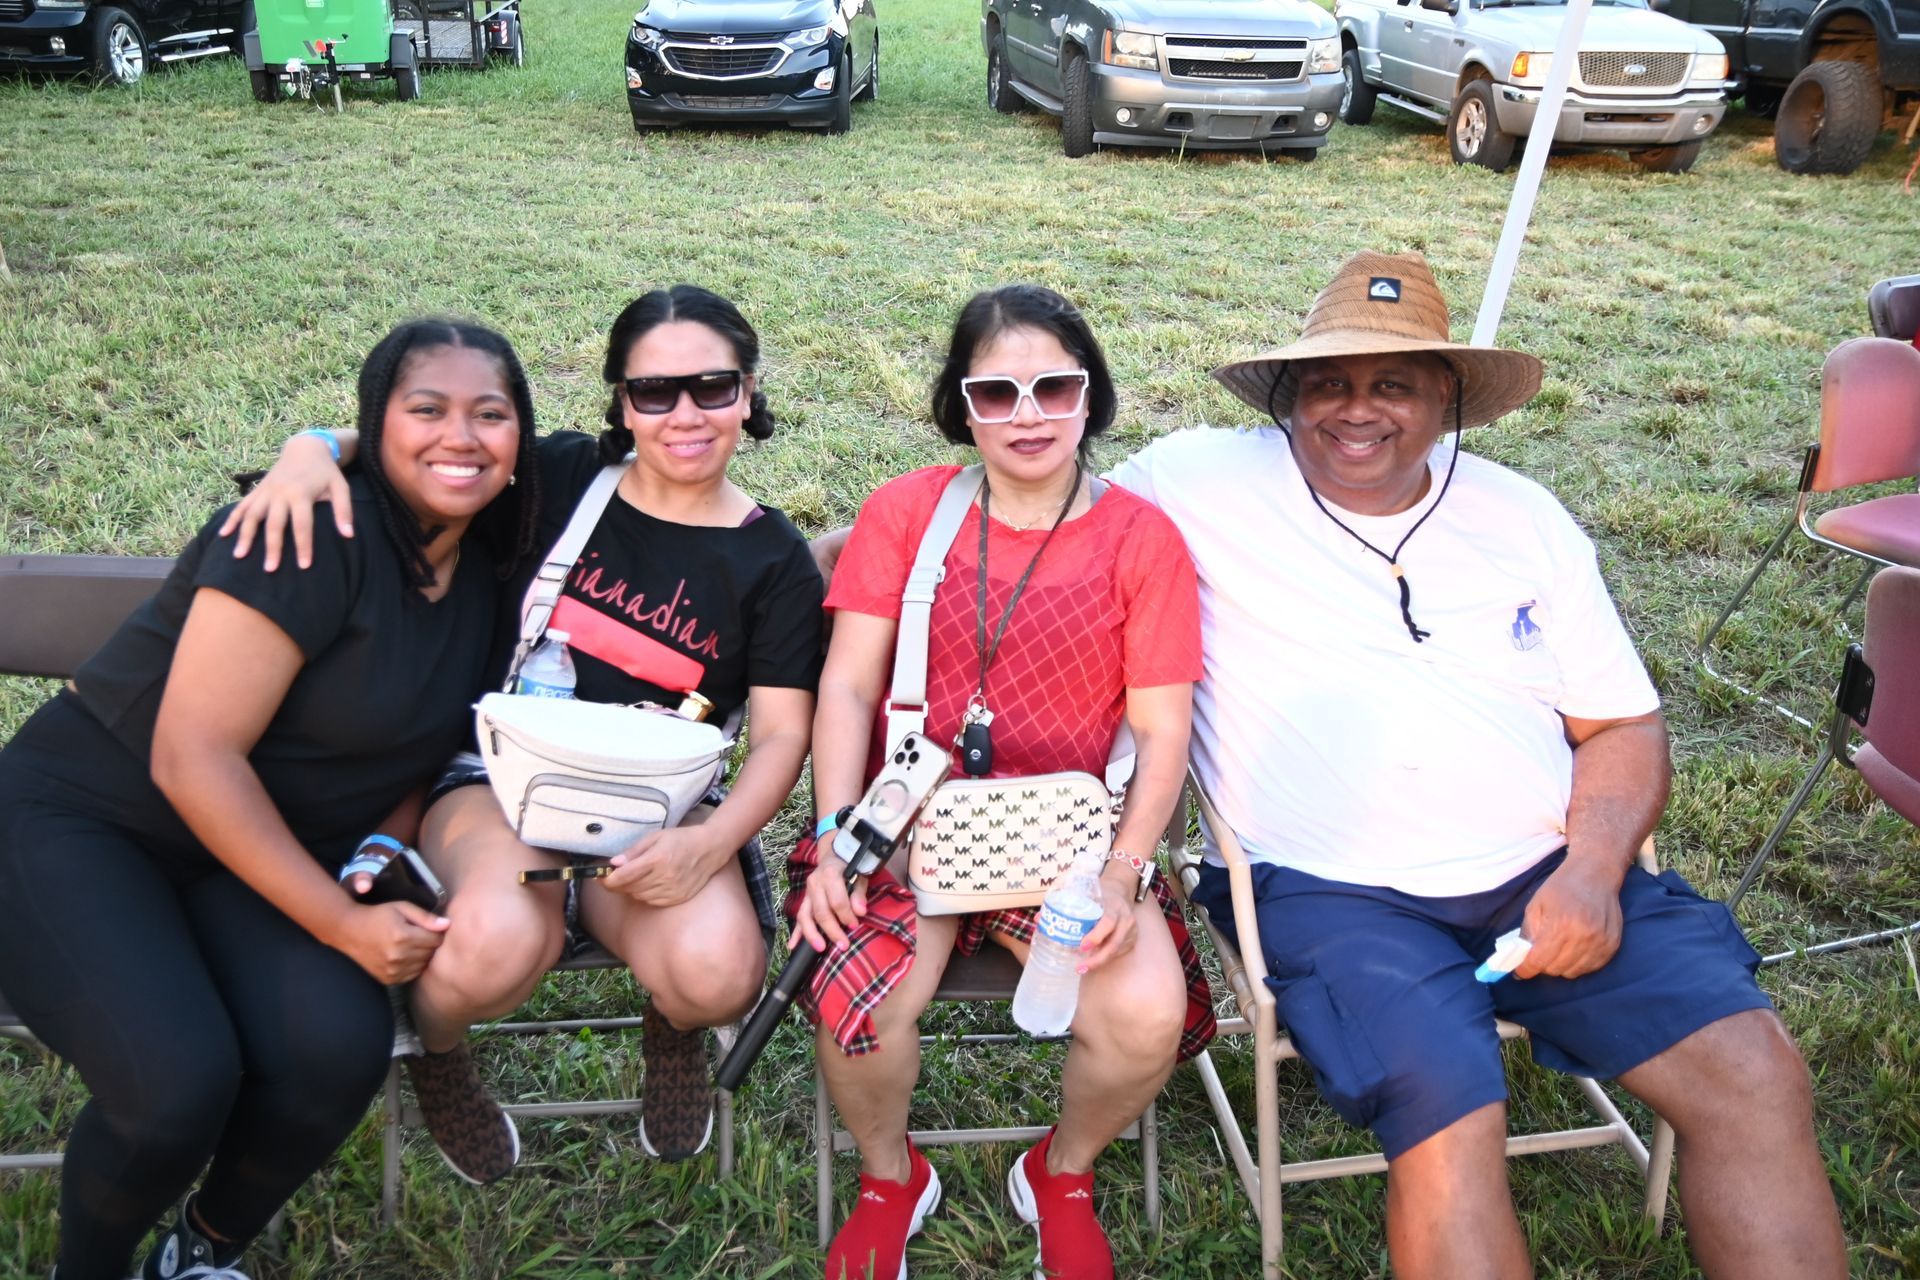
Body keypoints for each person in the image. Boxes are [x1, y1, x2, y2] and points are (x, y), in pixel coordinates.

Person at [1109, 251, 1848, 1279]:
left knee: (1755, 1072)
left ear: (1447, 399)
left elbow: (1623, 725)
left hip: (1547, 870)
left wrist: (1592, 874)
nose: (1355, 409)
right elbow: (1041, 518)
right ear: (1286, 394)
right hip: (1329, 891)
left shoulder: (1523, 516)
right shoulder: (1195, 481)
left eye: (1393, 383)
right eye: (1328, 382)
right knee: (1451, 1125)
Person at [227, 284, 824, 1182]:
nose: (685, 415)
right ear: (622, 401)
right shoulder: (560, 480)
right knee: (492, 948)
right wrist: (313, 447)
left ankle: (673, 1027)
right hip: (498, 782)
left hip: (655, 808)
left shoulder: (772, 557)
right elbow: (433, 455)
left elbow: (779, 737)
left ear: (747, 393)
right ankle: (437, 1051)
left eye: (712, 386)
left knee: (718, 974)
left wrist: (708, 846)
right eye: (653, 391)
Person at [0, 318, 541, 1280]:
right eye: (425, 410)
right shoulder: (310, 531)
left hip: (251, 855)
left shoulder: (492, 557)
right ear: (377, 423)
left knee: (335, 1049)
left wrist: (375, 857)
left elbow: (654, 467)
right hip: (87, 818)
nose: (460, 436)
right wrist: (340, 923)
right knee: (173, 1088)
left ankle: (199, 1253)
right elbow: (193, 758)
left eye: (489, 415)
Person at [789, 284, 1216, 1280]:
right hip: (905, 825)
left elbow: (1163, 733)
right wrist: (838, 833)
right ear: (962, 405)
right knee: (858, 1004)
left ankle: (1061, 1172)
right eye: (996, 392)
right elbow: (846, 687)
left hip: (1067, 838)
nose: (1028, 415)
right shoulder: (905, 512)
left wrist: (1124, 872)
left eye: (1054, 387)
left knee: (1144, 1016)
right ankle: (890, 1180)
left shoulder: (1141, 540)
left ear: (1090, 396)